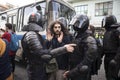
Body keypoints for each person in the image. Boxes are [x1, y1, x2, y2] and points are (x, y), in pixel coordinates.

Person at [21, 13, 76, 80]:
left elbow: (69, 53)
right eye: (55, 27)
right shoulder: (32, 34)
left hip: (61, 67)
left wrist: (60, 43)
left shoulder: (68, 37)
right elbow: (44, 53)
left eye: (59, 27)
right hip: (44, 68)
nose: (57, 29)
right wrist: (49, 41)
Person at [63, 14, 98, 80]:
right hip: (75, 71)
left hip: (81, 74)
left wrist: (70, 73)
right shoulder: (77, 37)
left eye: (77, 23)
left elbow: (86, 63)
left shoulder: (89, 40)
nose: (74, 26)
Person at [102, 15, 120, 80]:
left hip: (114, 57)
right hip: (107, 57)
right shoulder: (107, 32)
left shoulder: (117, 31)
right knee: (108, 75)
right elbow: (105, 46)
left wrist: (116, 59)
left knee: (112, 76)